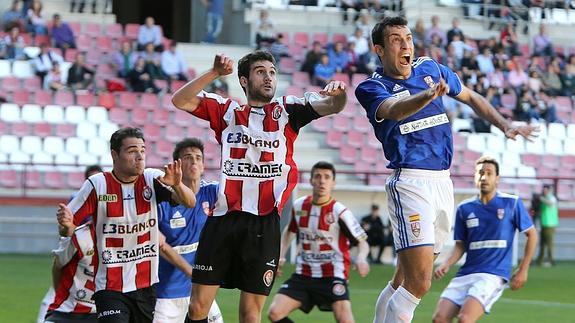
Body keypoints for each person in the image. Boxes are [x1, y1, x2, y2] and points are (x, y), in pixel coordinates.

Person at [354, 16, 538, 323]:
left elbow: (471, 97)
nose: (406, 45)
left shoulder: (430, 69)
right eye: (397, 40)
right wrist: (426, 96)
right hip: (410, 182)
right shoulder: (372, 87)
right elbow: (393, 110)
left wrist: (505, 125)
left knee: (403, 279)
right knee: (420, 282)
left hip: (442, 183)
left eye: (409, 38)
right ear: (379, 50)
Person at [171, 50, 347, 323]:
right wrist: (214, 73)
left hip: (264, 225)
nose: (268, 77)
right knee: (196, 309)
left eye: (272, 72)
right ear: (244, 80)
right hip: (223, 220)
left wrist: (339, 94)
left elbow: (335, 106)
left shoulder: (288, 110)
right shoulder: (228, 112)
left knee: (250, 314)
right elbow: (179, 99)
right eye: (260, 72)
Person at [56, 127, 196, 323]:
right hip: (110, 286)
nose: (139, 156)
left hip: (146, 285)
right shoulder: (97, 185)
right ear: (115, 154)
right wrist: (64, 224)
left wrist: (177, 184)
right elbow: (68, 227)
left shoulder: (152, 178)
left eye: (142, 150)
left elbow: (190, 202)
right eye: (132, 151)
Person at [432, 156, 537, 323]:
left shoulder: (512, 203)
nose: (484, 177)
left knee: (465, 319)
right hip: (466, 273)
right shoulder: (464, 209)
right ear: (475, 176)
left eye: (489, 173)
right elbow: (461, 245)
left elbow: (532, 234)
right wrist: (447, 263)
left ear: (497, 179)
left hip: (492, 275)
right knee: (439, 318)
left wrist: (523, 270)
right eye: (480, 173)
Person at [267, 161, 370, 323]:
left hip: (333, 275)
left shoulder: (340, 211)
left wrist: (362, 258)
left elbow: (362, 242)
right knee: (275, 313)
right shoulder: (299, 206)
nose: (322, 181)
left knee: (345, 320)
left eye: (327, 177)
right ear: (311, 181)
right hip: (304, 274)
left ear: (333, 183)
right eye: (318, 176)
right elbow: (289, 232)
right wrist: (280, 255)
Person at [154, 138, 223, 323]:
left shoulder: (214, 193)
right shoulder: (163, 200)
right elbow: (158, 243)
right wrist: (191, 271)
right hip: (166, 293)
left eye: (198, 158)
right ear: (177, 165)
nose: (194, 161)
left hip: (200, 291)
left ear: (203, 166)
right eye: (187, 157)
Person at [536, 184, 558, 266]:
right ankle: (540, 260)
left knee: (549, 244)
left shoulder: (551, 198)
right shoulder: (544, 198)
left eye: (545, 190)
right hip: (544, 224)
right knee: (542, 243)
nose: (544, 191)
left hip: (550, 224)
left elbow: (550, 203)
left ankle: (551, 260)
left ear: (549, 190)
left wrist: (541, 199)